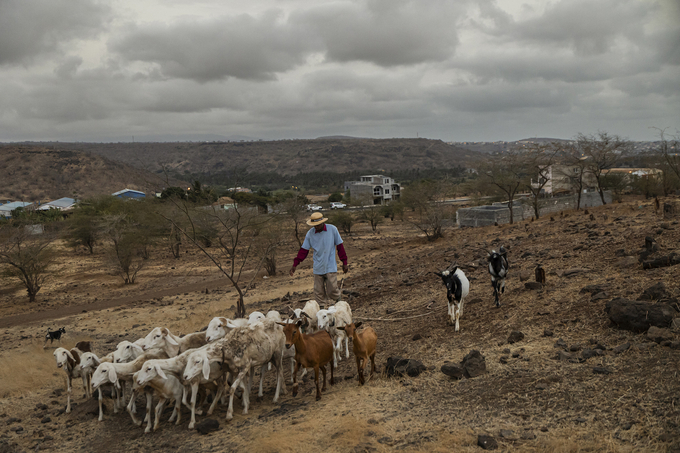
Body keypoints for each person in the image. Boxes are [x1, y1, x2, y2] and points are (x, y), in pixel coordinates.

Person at [289, 212, 349, 305]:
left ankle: (340, 305)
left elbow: (340, 247)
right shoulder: (310, 234)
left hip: (330, 265)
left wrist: (344, 262)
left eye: (317, 225)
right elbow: (304, 250)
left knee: (332, 290)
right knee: (319, 293)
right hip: (318, 267)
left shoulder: (332, 229)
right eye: (314, 225)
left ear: (322, 222)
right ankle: (321, 313)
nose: (315, 227)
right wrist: (295, 264)